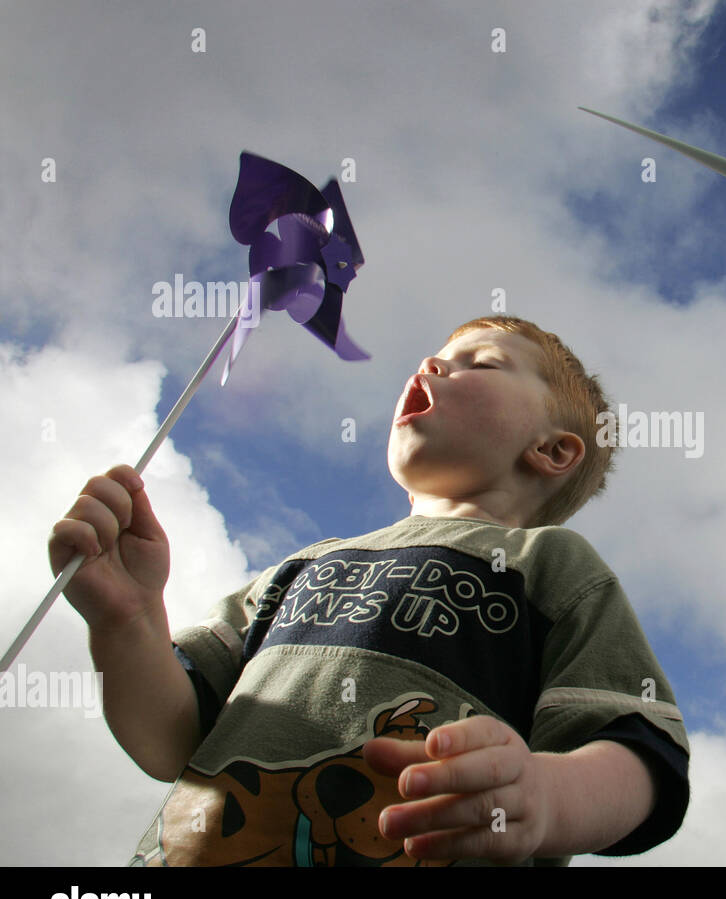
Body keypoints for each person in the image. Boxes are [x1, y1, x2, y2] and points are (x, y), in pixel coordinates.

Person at [48, 315, 690, 866]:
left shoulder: (550, 564)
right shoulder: (298, 568)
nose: (433, 362)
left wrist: (547, 796)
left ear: (552, 450)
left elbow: (643, 752)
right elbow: (170, 739)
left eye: (482, 363)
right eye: (439, 353)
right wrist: (128, 623)